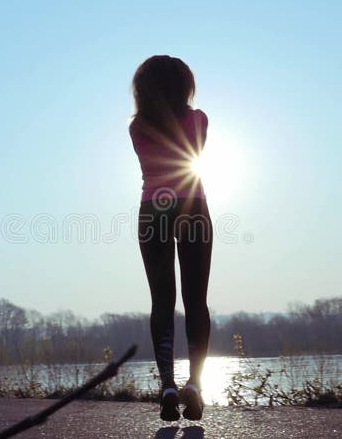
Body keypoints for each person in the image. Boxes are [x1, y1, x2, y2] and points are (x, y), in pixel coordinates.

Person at [129, 55, 212, 421]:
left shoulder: (137, 127)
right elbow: (193, 150)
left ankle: (167, 386)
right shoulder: (198, 119)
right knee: (196, 300)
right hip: (192, 207)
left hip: (153, 211)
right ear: (184, 85)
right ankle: (194, 384)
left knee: (161, 302)